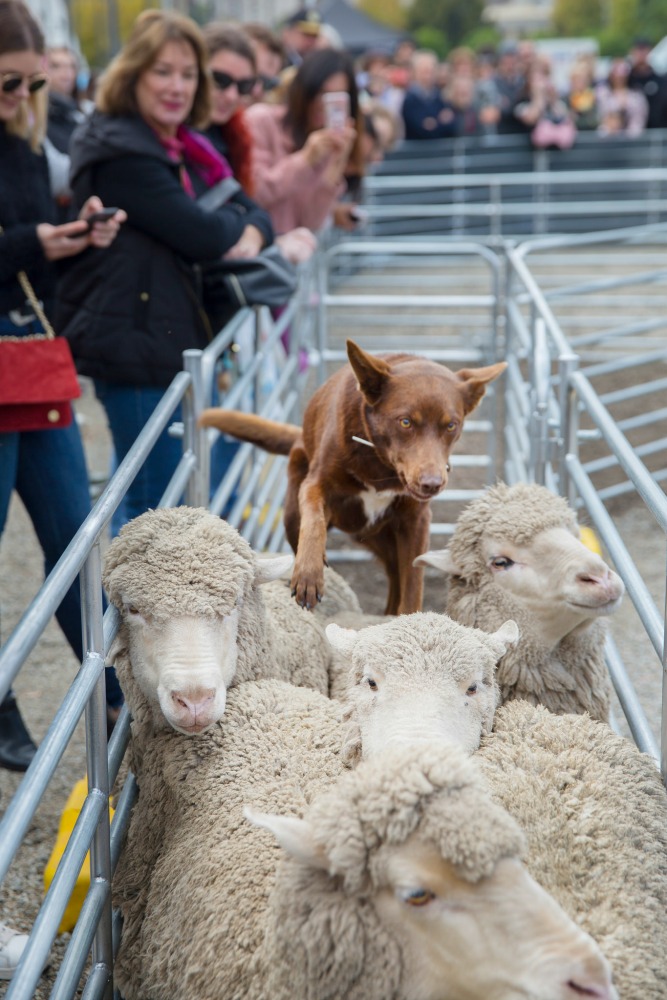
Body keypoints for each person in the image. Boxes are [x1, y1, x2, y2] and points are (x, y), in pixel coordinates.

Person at [55, 9, 275, 537]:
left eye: (187, 73)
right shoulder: (124, 151)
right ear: (133, 74)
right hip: (134, 345)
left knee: (155, 498)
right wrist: (239, 226)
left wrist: (247, 225)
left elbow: (250, 210)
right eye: (163, 71)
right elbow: (202, 233)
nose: (177, 86)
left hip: (154, 338)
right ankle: (119, 620)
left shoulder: (170, 144)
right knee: (148, 508)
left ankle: (129, 617)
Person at [0, 0, 125, 771]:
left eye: (31, 82)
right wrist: (35, 239)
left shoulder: (22, 143)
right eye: (9, 83)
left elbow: (23, 259)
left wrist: (69, 239)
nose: (21, 97)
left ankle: (115, 695)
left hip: (25, 355)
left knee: (77, 538)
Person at [202, 21, 315, 264]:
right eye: (220, 79)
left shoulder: (232, 133)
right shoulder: (189, 134)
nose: (256, 91)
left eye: (246, 83)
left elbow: (254, 208)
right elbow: (202, 222)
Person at [244, 47, 362, 235]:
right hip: (256, 254)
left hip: (293, 260)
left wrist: (336, 163)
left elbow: (312, 222)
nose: (324, 104)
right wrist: (305, 159)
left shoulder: (328, 145)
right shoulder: (261, 120)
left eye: (336, 97)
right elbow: (256, 192)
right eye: (320, 92)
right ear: (304, 89)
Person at [401, 49, 457, 140]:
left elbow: (451, 125)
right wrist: (440, 121)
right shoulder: (410, 99)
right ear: (415, 72)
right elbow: (420, 129)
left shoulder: (441, 97)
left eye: (431, 71)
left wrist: (434, 123)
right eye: (425, 71)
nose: (428, 76)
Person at [596, 58, 648, 137]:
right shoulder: (602, 93)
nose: (619, 78)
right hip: (606, 138)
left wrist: (630, 135)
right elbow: (599, 115)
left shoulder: (636, 95)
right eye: (616, 73)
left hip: (631, 140)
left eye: (622, 74)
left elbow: (640, 118)